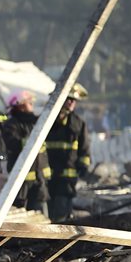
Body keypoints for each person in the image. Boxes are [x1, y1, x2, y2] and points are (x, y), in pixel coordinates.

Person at [45, 83, 92, 222]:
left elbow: (85, 149)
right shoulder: (48, 120)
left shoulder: (78, 123)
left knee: (62, 213)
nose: (72, 103)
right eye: (69, 99)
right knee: (47, 212)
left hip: (67, 179)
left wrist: (83, 166)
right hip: (48, 178)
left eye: (74, 100)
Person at [1, 91, 50, 212]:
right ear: (20, 105)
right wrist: (33, 139)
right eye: (30, 102)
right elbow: (14, 144)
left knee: (42, 216)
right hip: (21, 183)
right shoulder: (11, 125)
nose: (32, 104)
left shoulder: (37, 123)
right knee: (20, 216)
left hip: (39, 180)